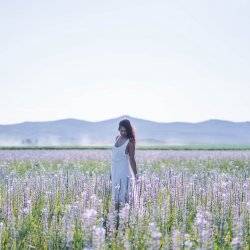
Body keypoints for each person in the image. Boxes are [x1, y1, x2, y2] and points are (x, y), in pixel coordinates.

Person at [111, 119, 138, 209]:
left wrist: (136, 175)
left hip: (124, 171)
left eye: (125, 130)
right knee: (115, 194)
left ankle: (125, 216)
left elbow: (132, 159)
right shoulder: (117, 138)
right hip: (114, 170)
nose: (123, 132)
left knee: (123, 195)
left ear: (129, 130)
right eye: (121, 130)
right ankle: (116, 216)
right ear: (119, 129)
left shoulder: (130, 142)